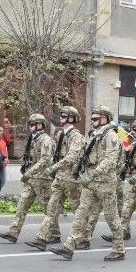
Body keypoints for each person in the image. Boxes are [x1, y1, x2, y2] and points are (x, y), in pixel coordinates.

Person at [48, 105, 126, 261]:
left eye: (97, 118)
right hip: (90, 181)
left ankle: (119, 249)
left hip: (105, 182)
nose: (94, 120)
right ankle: (69, 246)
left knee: (112, 217)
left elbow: (110, 160)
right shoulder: (95, 135)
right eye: (93, 118)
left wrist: (94, 174)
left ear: (106, 119)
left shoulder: (110, 136)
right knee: (81, 213)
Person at [24, 106, 85, 249]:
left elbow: (72, 157)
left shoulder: (76, 136)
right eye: (61, 115)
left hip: (72, 179)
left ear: (71, 118)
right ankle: (42, 238)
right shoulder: (63, 134)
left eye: (64, 116)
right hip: (59, 178)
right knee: (51, 208)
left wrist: (53, 167)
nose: (61, 118)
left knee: (78, 210)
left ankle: (83, 238)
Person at [0, 114, 55, 243]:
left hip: (42, 179)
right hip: (31, 178)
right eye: (30, 124)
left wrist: (30, 171)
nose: (30, 127)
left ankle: (55, 233)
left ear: (40, 125)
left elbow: (45, 160)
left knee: (48, 208)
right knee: (22, 204)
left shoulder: (45, 140)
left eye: (33, 124)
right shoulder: (32, 139)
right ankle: (13, 232)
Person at [0, 126, 9, 194]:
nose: (2, 132)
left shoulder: (3, 141)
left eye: (2, 131)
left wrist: (7, 159)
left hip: (3, 163)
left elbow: (5, 151)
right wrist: (2, 160)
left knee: (3, 179)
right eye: (0, 130)